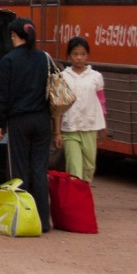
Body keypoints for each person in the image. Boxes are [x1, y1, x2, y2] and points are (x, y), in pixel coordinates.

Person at [0, 16, 54, 233]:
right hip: (42, 120)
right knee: (39, 170)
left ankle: (22, 218)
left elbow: (2, 95)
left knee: (18, 170)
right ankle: (43, 221)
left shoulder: (9, 60)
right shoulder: (44, 58)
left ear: (14, 35)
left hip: (19, 121)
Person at [59, 36, 106, 182]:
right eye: (75, 54)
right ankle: (75, 199)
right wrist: (56, 131)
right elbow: (58, 105)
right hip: (70, 128)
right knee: (74, 169)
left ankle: (83, 195)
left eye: (83, 54)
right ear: (69, 56)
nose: (79, 58)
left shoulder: (96, 77)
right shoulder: (63, 77)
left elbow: (101, 102)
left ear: (87, 55)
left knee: (89, 167)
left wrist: (103, 126)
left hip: (90, 126)